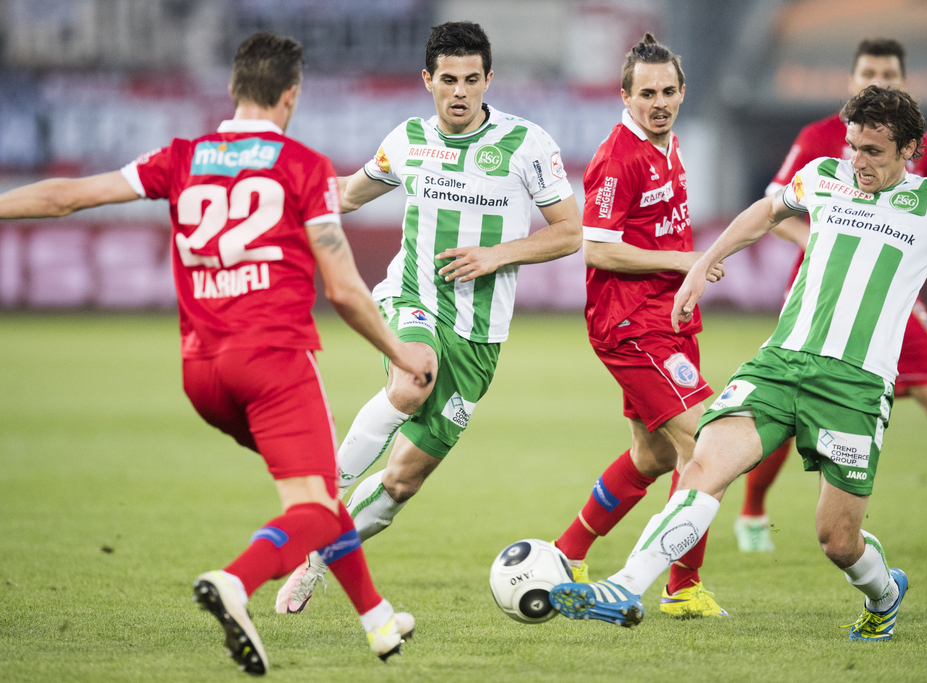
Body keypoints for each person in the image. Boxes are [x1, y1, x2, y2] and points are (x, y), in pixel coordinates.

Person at [0, 32, 434, 673]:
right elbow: (343, 290)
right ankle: (237, 580)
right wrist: (401, 351)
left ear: (233, 89)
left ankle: (377, 623)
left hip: (202, 373)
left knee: (314, 489)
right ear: (291, 95)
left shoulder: (182, 156)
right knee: (313, 504)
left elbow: (66, 197)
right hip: (275, 364)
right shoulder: (302, 166)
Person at [550, 85, 927, 639]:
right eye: (853, 146)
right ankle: (627, 586)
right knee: (704, 464)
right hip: (781, 363)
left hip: (855, 388)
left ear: (910, 149)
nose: (858, 161)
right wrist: (706, 262)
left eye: (873, 151)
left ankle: (885, 592)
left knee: (837, 541)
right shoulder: (825, 174)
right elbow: (767, 211)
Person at [275, 21, 582, 614]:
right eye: (448, 80)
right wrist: (282, 193)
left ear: (489, 79)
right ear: (427, 81)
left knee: (400, 482)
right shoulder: (409, 139)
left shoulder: (527, 145)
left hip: (480, 337)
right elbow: (349, 194)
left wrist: (497, 254)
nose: (460, 92)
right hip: (412, 296)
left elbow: (569, 233)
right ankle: (321, 490)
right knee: (414, 377)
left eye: (472, 79)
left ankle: (314, 559)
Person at [734, 37, 927, 556]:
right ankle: (753, 510)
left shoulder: (919, 146)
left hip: (893, 297)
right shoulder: (819, 139)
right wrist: (823, 241)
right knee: (786, 407)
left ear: (903, 80)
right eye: (868, 71)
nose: (878, 80)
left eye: (888, 72)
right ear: (850, 80)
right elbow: (772, 210)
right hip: (821, 298)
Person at [548, 33, 727, 619]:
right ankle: (681, 586)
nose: (659, 102)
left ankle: (568, 551)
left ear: (682, 92)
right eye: (646, 92)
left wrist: (683, 278)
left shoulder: (669, 146)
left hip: (667, 315)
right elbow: (596, 251)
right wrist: (686, 262)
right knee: (706, 444)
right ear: (625, 96)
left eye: (668, 91)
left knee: (653, 455)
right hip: (630, 324)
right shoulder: (617, 157)